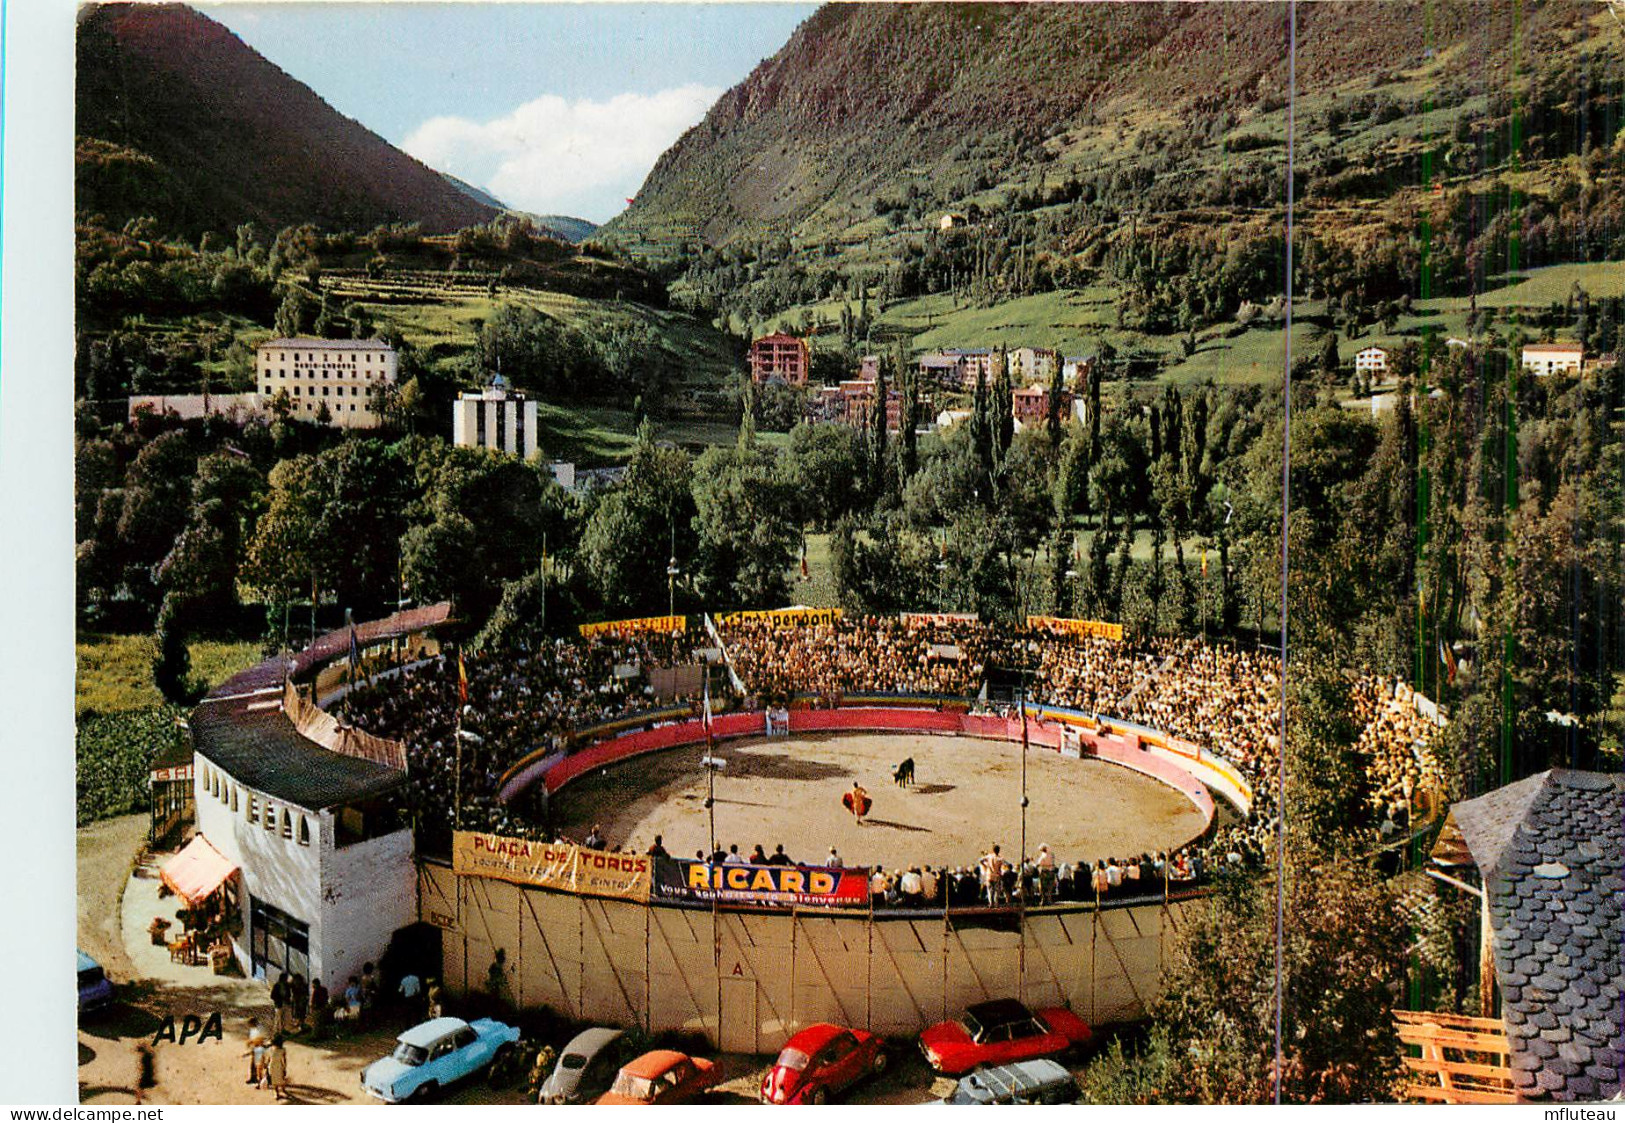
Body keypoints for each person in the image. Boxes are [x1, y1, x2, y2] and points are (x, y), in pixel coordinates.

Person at [242, 1016, 267, 1085]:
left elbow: (261, 1039)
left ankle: (260, 1080)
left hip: (260, 1048)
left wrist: (251, 1041)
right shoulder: (253, 1029)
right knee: (253, 1064)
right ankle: (253, 1077)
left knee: (259, 1065)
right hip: (254, 1047)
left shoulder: (260, 1029)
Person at [264, 1035, 288, 1100]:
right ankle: (279, 1091)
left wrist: (266, 1064)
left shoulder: (271, 1049)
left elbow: (269, 1058)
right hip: (278, 1066)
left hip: (273, 1066)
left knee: (276, 1079)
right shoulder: (282, 1050)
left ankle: (278, 1091)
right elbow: (284, 1060)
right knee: (278, 1078)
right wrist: (284, 1067)